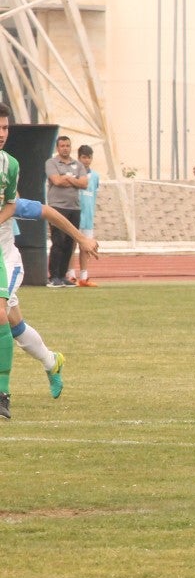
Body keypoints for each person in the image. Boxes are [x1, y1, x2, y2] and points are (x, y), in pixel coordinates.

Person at [0, 103, 100, 416]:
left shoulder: (9, 175)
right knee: (15, 327)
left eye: (5, 128)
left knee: (0, 314)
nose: (2, 133)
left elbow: (46, 211)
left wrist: (82, 238)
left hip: (6, 261)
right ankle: (51, 361)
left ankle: (2, 394)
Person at [44, 135, 88, 288]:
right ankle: (53, 276)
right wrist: (74, 180)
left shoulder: (78, 164)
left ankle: (63, 275)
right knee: (58, 241)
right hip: (57, 207)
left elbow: (84, 183)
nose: (65, 148)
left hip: (74, 208)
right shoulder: (51, 163)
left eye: (67, 146)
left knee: (70, 242)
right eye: (62, 146)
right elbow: (56, 180)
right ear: (58, 148)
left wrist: (68, 178)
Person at [65, 144, 100, 286]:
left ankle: (84, 276)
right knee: (72, 245)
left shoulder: (95, 176)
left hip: (88, 218)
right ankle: (71, 274)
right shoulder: (73, 174)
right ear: (79, 158)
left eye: (89, 157)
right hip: (75, 215)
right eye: (84, 157)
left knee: (86, 247)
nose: (86, 160)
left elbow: (93, 194)